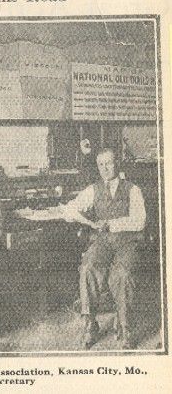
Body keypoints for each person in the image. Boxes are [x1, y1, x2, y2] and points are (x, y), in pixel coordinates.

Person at [60, 148, 146, 350]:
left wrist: (112, 224)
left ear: (117, 163)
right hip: (102, 242)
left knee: (122, 274)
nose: (105, 168)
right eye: (101, 164)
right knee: (88, 267)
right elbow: (71, 207)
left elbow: (140, 221)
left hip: (127, 241)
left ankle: (125, 327)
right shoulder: (93, 189)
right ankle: (91, 324)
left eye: (109, 163)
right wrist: (73, 213)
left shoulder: (133, 189)